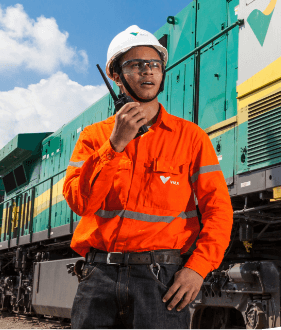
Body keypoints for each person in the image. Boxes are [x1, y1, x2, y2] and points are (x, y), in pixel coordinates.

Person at [63, 25, 234, 329]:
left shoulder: (192, 138)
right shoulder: (94, 137)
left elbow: (218, 210)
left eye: (154, 64)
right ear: (115, 75)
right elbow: (80, 203)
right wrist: (115, 145)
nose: (148, 71)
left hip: (160, 282)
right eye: (135, 64)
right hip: (98, 278)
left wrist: (197, 268)